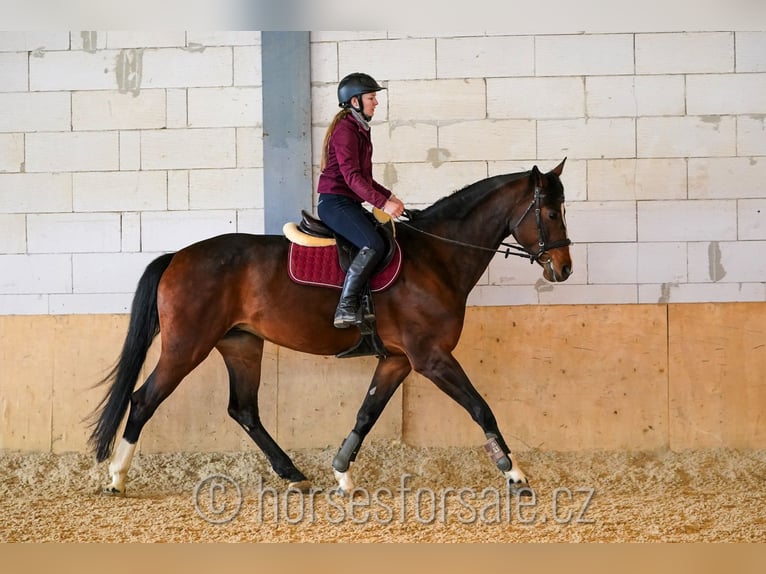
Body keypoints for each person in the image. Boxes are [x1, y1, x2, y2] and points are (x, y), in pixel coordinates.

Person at [317, 72, 406, 329]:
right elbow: (351, 177)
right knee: (373, 244)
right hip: (335, 204)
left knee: (382, 236)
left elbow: (364, 178)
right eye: (371, 97)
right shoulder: (346, 130)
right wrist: (382, 204)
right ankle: (345, 307)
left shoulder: (358, 129)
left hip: (348, 202)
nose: (375, 102)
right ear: (355, 101)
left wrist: (389, 196)